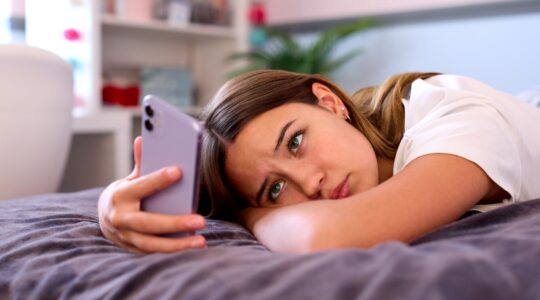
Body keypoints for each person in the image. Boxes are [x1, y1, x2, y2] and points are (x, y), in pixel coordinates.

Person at [98, 70, 540, 253]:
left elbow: (324, 235)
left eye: (295, 143)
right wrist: (107, 208)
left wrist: (252, 211)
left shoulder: (457, 118)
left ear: (329, 102)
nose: (309, 184)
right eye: (274, 189)